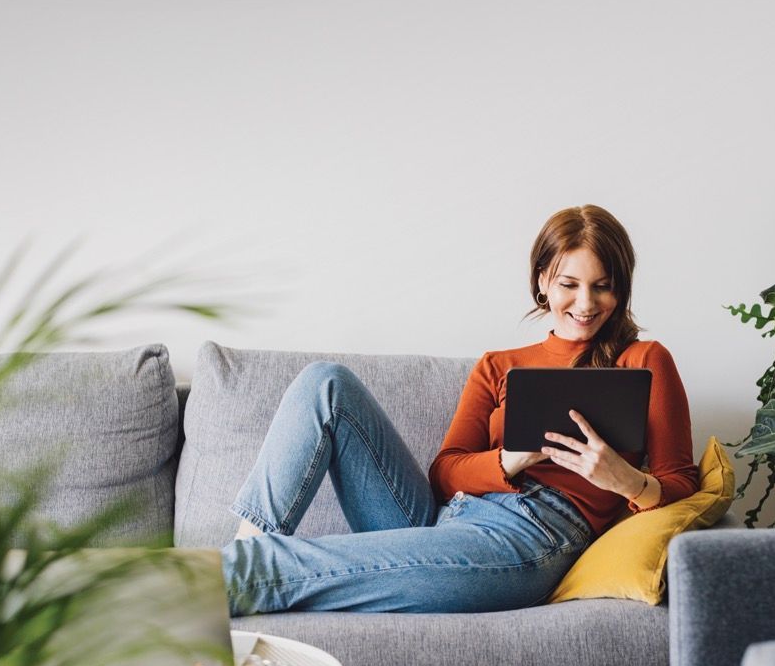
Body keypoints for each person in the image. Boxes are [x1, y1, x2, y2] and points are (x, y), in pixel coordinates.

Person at [221, 205, 698, 615]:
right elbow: (445, 473)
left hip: (530, 536)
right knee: (325, 382)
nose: (586, 303)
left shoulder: (644, 360)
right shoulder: (499, 366)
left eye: (603, 286)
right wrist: (508, 461)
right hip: (445, 518)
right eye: (569, 284)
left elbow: (682, 483)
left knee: (276, 567)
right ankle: (245, 543)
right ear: (542, 282)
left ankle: (217, 580)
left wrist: (625, 481)